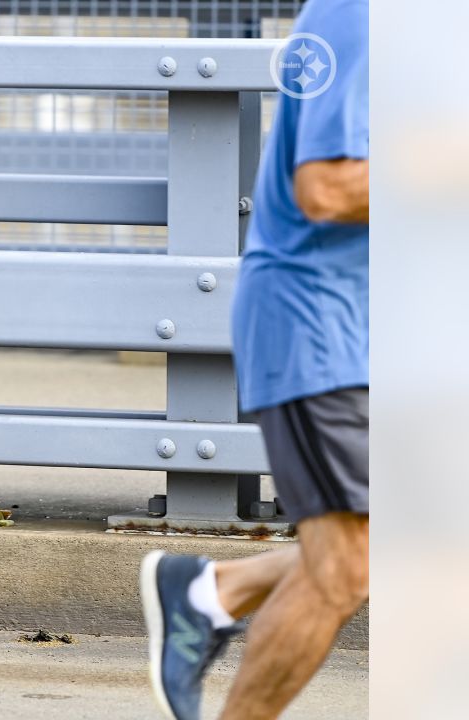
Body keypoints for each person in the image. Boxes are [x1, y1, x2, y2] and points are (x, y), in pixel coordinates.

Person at [139, 2, 369, 718]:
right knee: (345, 567)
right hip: (322, 326)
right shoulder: (360, 15)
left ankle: (211, 593)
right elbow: (326, 186)